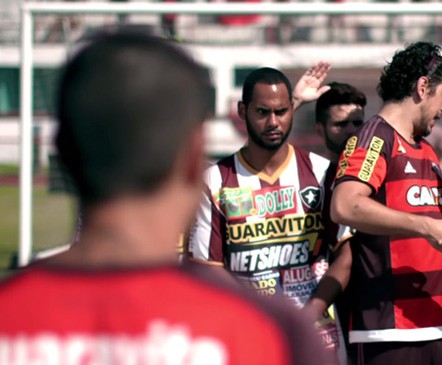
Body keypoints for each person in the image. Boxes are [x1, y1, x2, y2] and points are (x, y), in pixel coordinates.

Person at [0, 33, 331, 365]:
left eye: (281, 112)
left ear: (63, 153)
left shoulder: (10, 316)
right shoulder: (267, 332)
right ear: (193, 155)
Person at [186, 67, 346, 360]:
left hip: (317, 337)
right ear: (242, 111)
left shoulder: (323, 173)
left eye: (281, 111)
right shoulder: (214, 182)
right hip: (249, 335)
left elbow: (346, 255)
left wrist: (307, 315)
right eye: (262, 112)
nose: (273, 122)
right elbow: (206, 266)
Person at [330, 41, 442, 365]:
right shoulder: (374, 137)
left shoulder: (424, 148)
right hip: (391, 328)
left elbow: (440, 222)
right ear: (423, 87)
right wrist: (424, 226)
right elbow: (345, 205)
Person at [303, 81, 367, 364]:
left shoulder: (378, 174)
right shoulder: (318, 178)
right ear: (320, 130)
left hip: (378, 314)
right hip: (342, 315)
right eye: (341, 125)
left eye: (358, 123)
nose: (353, 131)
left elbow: (348, 257)